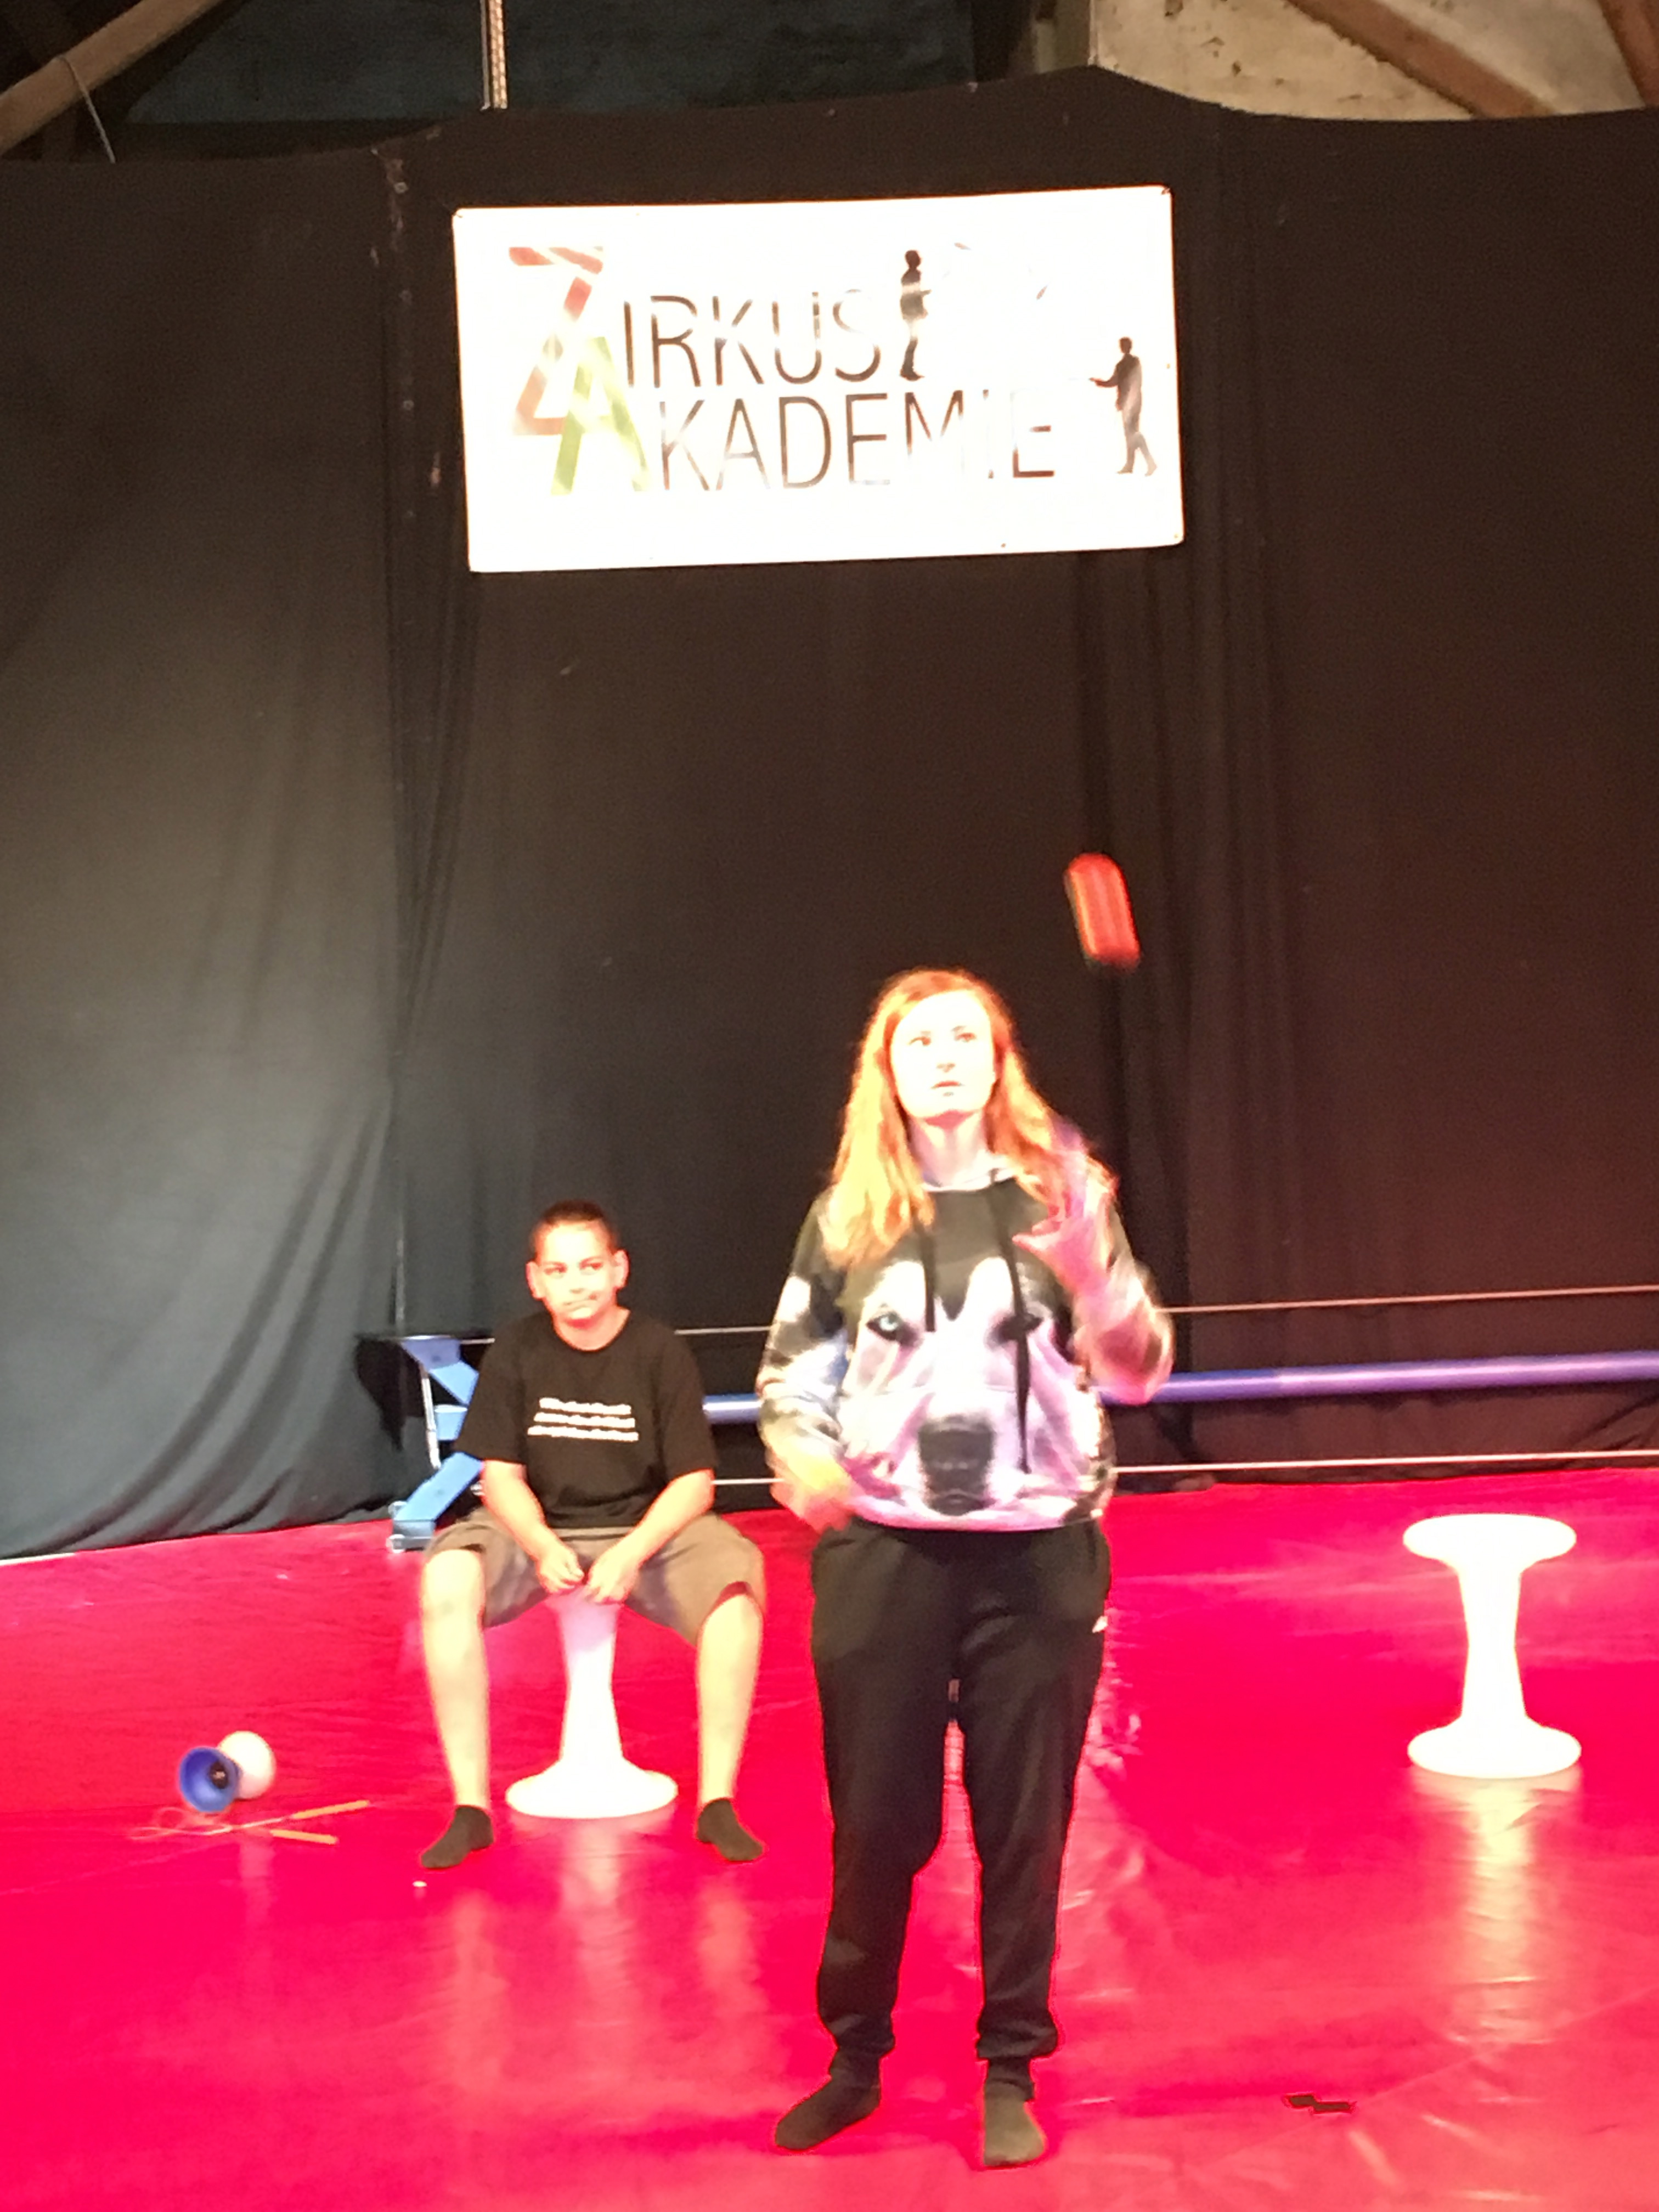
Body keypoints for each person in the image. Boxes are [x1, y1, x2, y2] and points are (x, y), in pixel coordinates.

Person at [759, 969, 1172, 2167]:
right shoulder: (849, 1215)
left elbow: (1139, 1370)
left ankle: (1009, 2063)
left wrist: (1093, 1273)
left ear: (998, 1060)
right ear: (884, 1071)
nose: (942, 1055)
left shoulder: (1061, 1200)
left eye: (964, 1036)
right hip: (885, 1557)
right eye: (918, 1040)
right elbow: (791, 1373)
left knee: (1023, 1824)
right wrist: (800, 1454)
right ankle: (854, 2058)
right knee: (873, 1823)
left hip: (1037, 1559)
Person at [418, 1199, 766, 1870]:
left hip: (644, 1528)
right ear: (535, 1280)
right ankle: (470, 1808)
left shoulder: (659, 1350)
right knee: (446, 1579)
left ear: (618, 1270)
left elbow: (694, 1483)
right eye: (559, 1270)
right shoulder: (517, 1349)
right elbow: (500, 1478)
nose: (576, 1284)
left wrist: (633, 1552)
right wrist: (542, 1544)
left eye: (590, 1267)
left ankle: (717, 1801)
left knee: (735, 1590)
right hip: (539, 1526)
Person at [1092, 335, 1156, 475]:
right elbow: (1122, 381)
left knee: (1132, 434)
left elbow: (1116, 382)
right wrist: (1101, 383)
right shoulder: (1131, 363)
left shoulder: (1125, 364)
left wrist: (1101, 384)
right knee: (1131, 434)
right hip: (1133, 402)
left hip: (1130, 403)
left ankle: (1146, 463)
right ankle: (1132, 464)